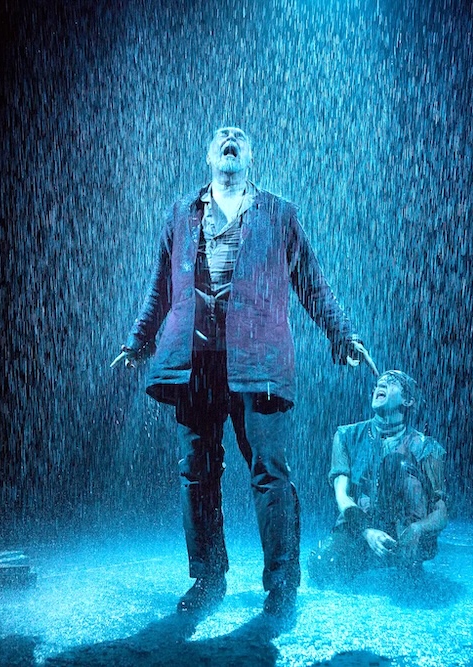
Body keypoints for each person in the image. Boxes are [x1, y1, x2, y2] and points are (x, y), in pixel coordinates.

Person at [111, 126, 376, 620]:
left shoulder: (279, 213)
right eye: (221, 137)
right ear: (209, 154)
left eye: (239, 137)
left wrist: (342, 332)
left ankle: (281, 583)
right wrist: (137, 342)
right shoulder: (181, 213)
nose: (230, 140)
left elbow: (312, 283)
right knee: (197, 472)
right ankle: (208, 577)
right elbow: (160, 288)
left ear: (249, 156)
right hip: (195, 364)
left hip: (259, 363)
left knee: (270, 472)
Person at [308, 370, 448, 587]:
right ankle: (364, 559)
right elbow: (341, 495)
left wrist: (418, 529)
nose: (381, 384)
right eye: (379, 382)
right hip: (360, 531)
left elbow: (441, 512)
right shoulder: (346, 436)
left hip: (406, 536)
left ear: (408, 400)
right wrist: (366, 531)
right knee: (321, 564)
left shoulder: (426, 447)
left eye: (391, 382)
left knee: (397, 463)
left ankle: (408, 561)